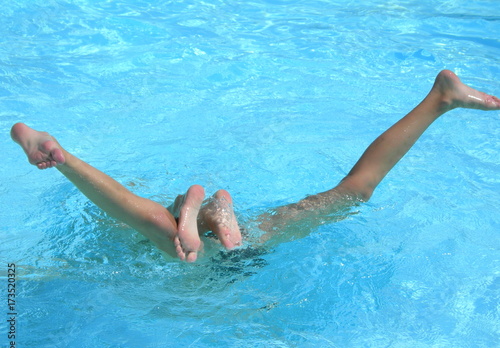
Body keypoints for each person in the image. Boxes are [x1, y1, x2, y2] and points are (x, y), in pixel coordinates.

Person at [11, 70, 500, 262]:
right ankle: (438, 99)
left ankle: (201, 207)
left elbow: (120, 207)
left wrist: (60, 158)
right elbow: (123, 206)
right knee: (354, 192)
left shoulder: (182, 248)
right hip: (238, 239)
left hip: (226, 244)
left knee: (157, 226)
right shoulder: (226, 245)